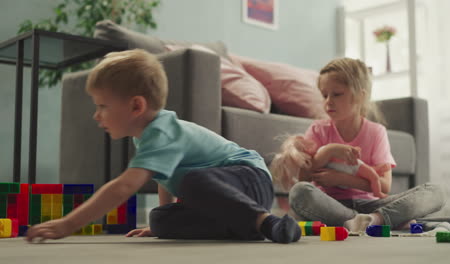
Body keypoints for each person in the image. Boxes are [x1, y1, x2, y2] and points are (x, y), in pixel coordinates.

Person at [26, 49, 301, 244]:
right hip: (224, 194)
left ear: (136, 105)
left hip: (248, 179)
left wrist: (68, 224)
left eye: (102, 106)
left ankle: (265, 223)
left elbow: (123, 187)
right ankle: (242, 226)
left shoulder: (162, 131)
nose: (97, 115)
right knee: (160, 221)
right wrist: (165, 214)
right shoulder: (145, 136)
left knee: (193, 182)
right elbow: (164, 177)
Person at [283, 57, 445, 232]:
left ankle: (371, 220)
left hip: (372, 206)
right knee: (299, 192)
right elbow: (304, 180)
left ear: (360, 96)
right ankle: (372, 222)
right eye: (324, 95)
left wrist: (341, 179)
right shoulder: (317, 129)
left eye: (336, 94)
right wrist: (328, 151)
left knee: (435, 192)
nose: (328, 101)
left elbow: (384, 186)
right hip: (330, 204)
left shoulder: (376, 132)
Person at [270, 134, 390, 199]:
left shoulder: (321, 154)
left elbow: (338, 152)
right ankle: (364, 218)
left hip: (355, 168)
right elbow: (304, 183)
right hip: (339, 199)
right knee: (300, 194)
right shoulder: (314, 167)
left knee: (373, 177)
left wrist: (334, 150)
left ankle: (377, 193)